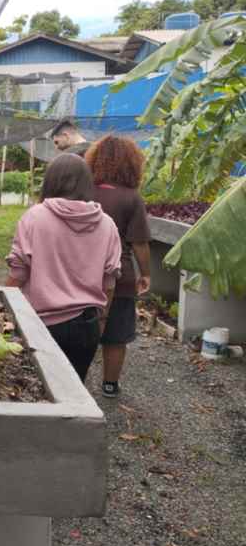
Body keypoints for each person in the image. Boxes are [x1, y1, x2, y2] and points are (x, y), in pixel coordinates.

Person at [6, 153, 122, 383]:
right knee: (74, 391)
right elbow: (109, 281)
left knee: (38, 390)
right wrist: (101, 320)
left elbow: (18, 274)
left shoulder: (34, 217)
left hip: (40, 324)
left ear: (50, 181)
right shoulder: (107, 224)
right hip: (87, 326)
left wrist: (2, 311)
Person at [85, 135, 151, 398]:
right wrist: (145, 273)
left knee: (82, 328)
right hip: (120, 276)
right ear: (131, 163)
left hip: (82, 274)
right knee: (116, 335)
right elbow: (140, 242)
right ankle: (110, 385)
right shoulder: (132, 198)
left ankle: (75, 379)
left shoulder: (83, 193)